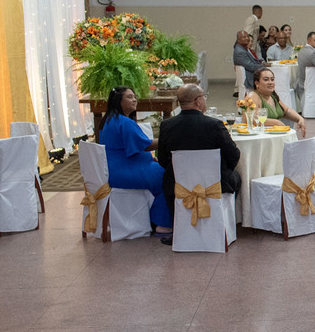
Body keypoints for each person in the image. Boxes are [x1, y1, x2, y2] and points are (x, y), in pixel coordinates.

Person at [156, 84, 241, 246]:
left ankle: (181, 229)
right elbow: (234, 156)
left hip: (179, 185)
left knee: (168, 177)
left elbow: (163, 160)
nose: (205, 99)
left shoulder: (167, 125)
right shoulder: (214, 125)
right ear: (197, 101)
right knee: (236, 178)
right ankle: (219, 226)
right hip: (214, 184)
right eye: (204, 96)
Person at [99, 86, 172, 236]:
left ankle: (155, 218)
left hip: (114, 169)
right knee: (167, 177)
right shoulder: (125, 122)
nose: (134, 100)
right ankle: (162, 223)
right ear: (119, 101)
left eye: (135, 97)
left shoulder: (108, 120)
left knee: (160, 171)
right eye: (130, 97)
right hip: (125, 171)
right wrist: (169, 139)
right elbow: (145, 145)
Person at [246, 68, 307, 137]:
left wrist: (300, 119)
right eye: (266, 80)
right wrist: (276, 123)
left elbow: (286, 111)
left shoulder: (272, 95)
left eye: (272, 79)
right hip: (262, 138)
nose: (270, 82)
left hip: (275, 136)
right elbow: (251, 119)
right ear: (257, 83)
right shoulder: (253, 97)